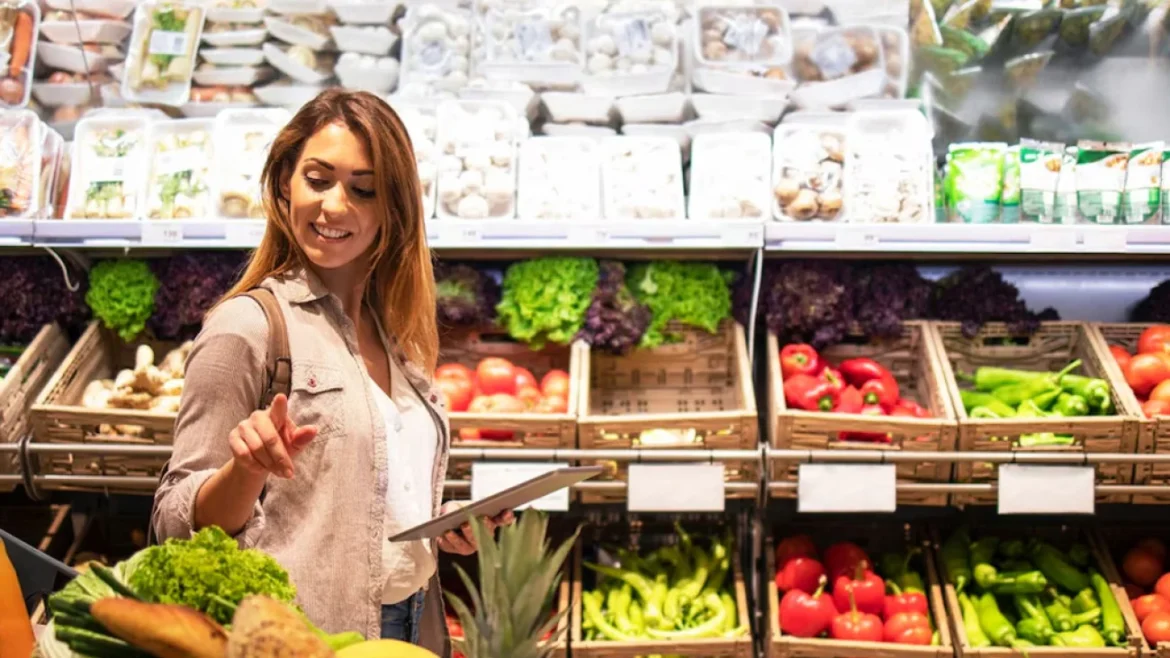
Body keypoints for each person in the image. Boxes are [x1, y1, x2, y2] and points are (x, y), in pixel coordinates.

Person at [151, 89, 510, 653]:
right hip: (303, 638)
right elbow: (172, 521)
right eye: (318, 180)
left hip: (413, 626)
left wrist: (440, 523)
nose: (335, 206)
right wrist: (244, 471)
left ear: (394, 208)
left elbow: (357, 500)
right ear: (284, 184)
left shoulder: (398, 338)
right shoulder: (247, 327)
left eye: (363, 190)